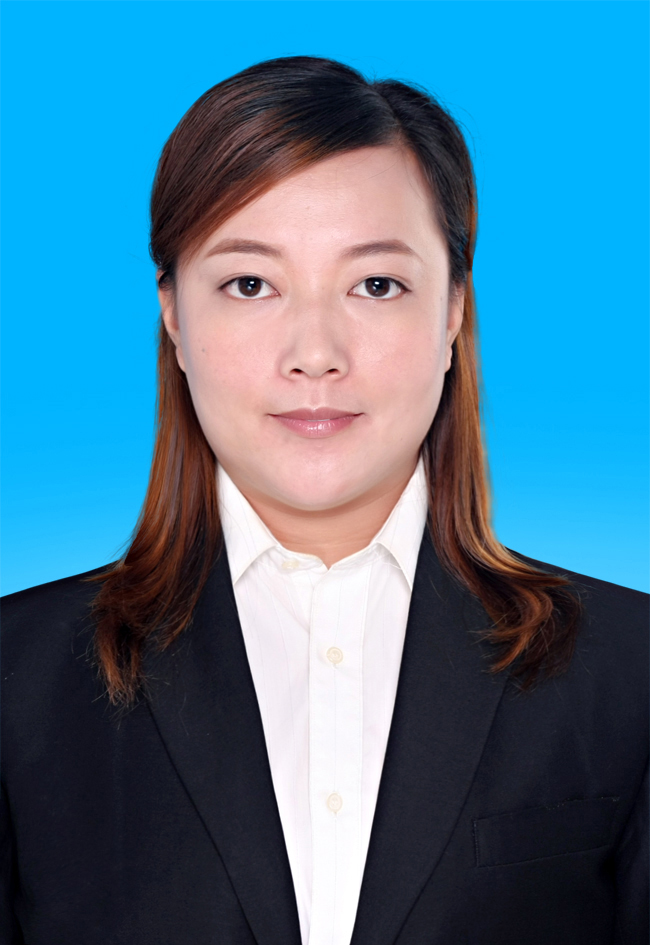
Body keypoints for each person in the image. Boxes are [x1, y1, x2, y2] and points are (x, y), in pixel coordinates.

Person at [1, 55, 647, 945]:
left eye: (376, 284)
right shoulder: (16, 683)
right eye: (250, 284)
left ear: (452, 312)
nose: (314, 352)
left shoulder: (630, 671)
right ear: (175, 316)